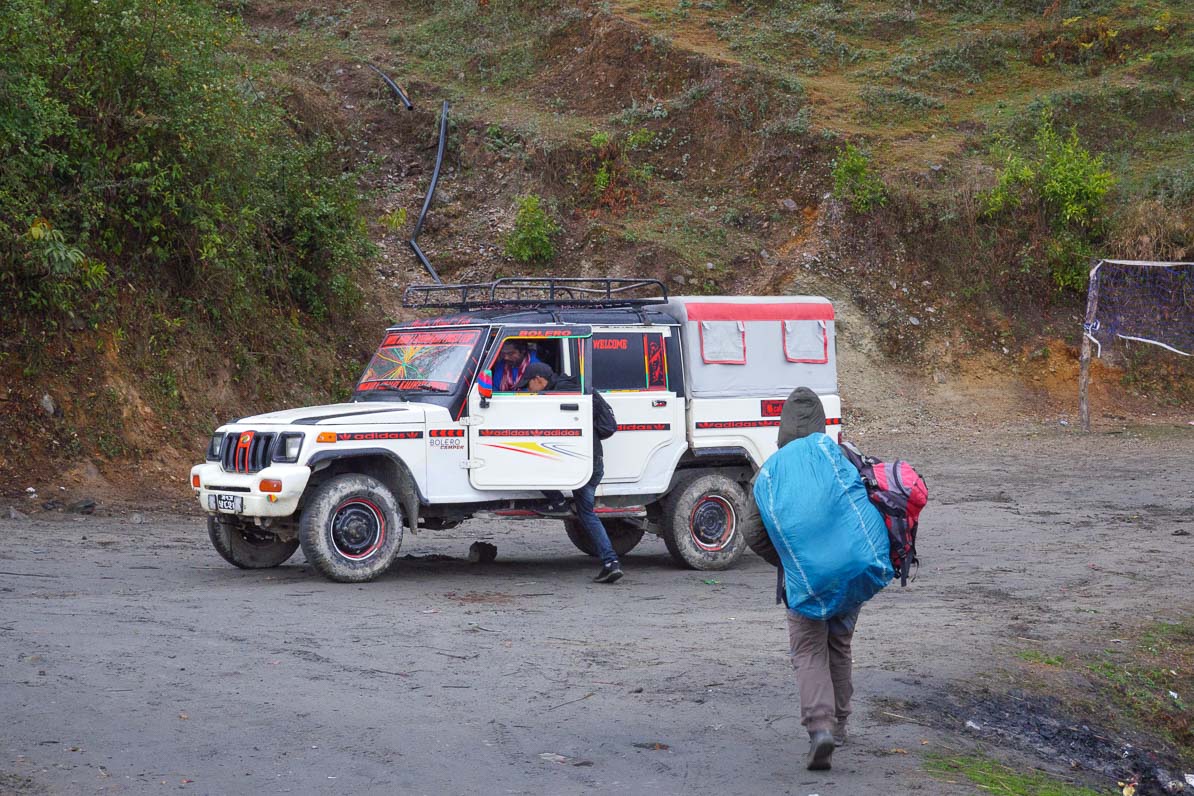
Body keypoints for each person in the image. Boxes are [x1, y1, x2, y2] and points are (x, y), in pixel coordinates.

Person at [742, 387, 892, 771]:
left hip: (805, 582)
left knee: (808, 650)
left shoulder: (770, 471)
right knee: (838, 645)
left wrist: (792, 561)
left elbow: (752, 532)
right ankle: (841, 724)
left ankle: (820, 728)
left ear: (783, 428)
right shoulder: (840, 455)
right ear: (821, 423)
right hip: (851, 573)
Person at [518, 362, 623, 584]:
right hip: (592, 462)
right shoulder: (572, 387)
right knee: (587, 513)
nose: (528, 391)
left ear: (538, 379)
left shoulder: (557, 396)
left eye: (528, 385)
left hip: (582, 464)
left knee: (533, 468)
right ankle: (610, 563)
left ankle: (558, 504)